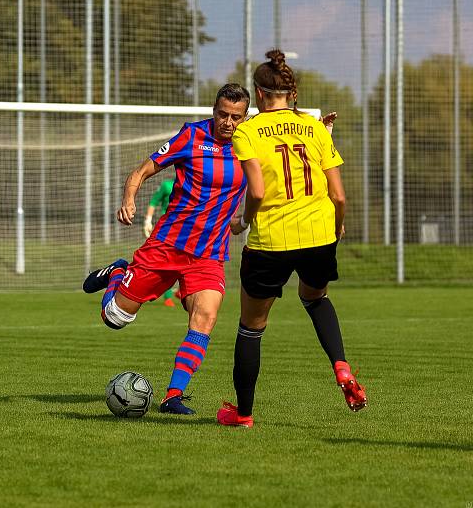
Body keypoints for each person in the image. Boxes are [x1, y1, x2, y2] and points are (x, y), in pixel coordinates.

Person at [216, 50, 366, 429]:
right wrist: (338, 225)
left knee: (251, 326)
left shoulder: (247, 131)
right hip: (318, 233)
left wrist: (243, 222)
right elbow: (340, 196)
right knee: (315, 299)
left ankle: (244, 415)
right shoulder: (315, 127)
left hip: (272, 240)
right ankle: (343, 368)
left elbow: (258, 190)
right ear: (290, 92)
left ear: (260, 94)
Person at [82, 84, 251, 415]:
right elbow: (142, 170)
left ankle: (173, 396)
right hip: (166, 246)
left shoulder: (251, 147)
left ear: (245, 118)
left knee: (206, 316)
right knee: (114, 318)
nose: (228, 123)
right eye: (222, 114)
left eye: (235, 117)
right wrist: (129, 197)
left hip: (209, 255)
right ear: (213, 111)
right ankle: (118, 272)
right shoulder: (191, 136)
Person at [142, 178, 178, 307]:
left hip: (185, 227)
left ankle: (181, 291)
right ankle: (168, 296)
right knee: (167, 261)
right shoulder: (167, 185)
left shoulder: (194, 184)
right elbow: (154, 201)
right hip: (167, 227)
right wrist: (148, 220)